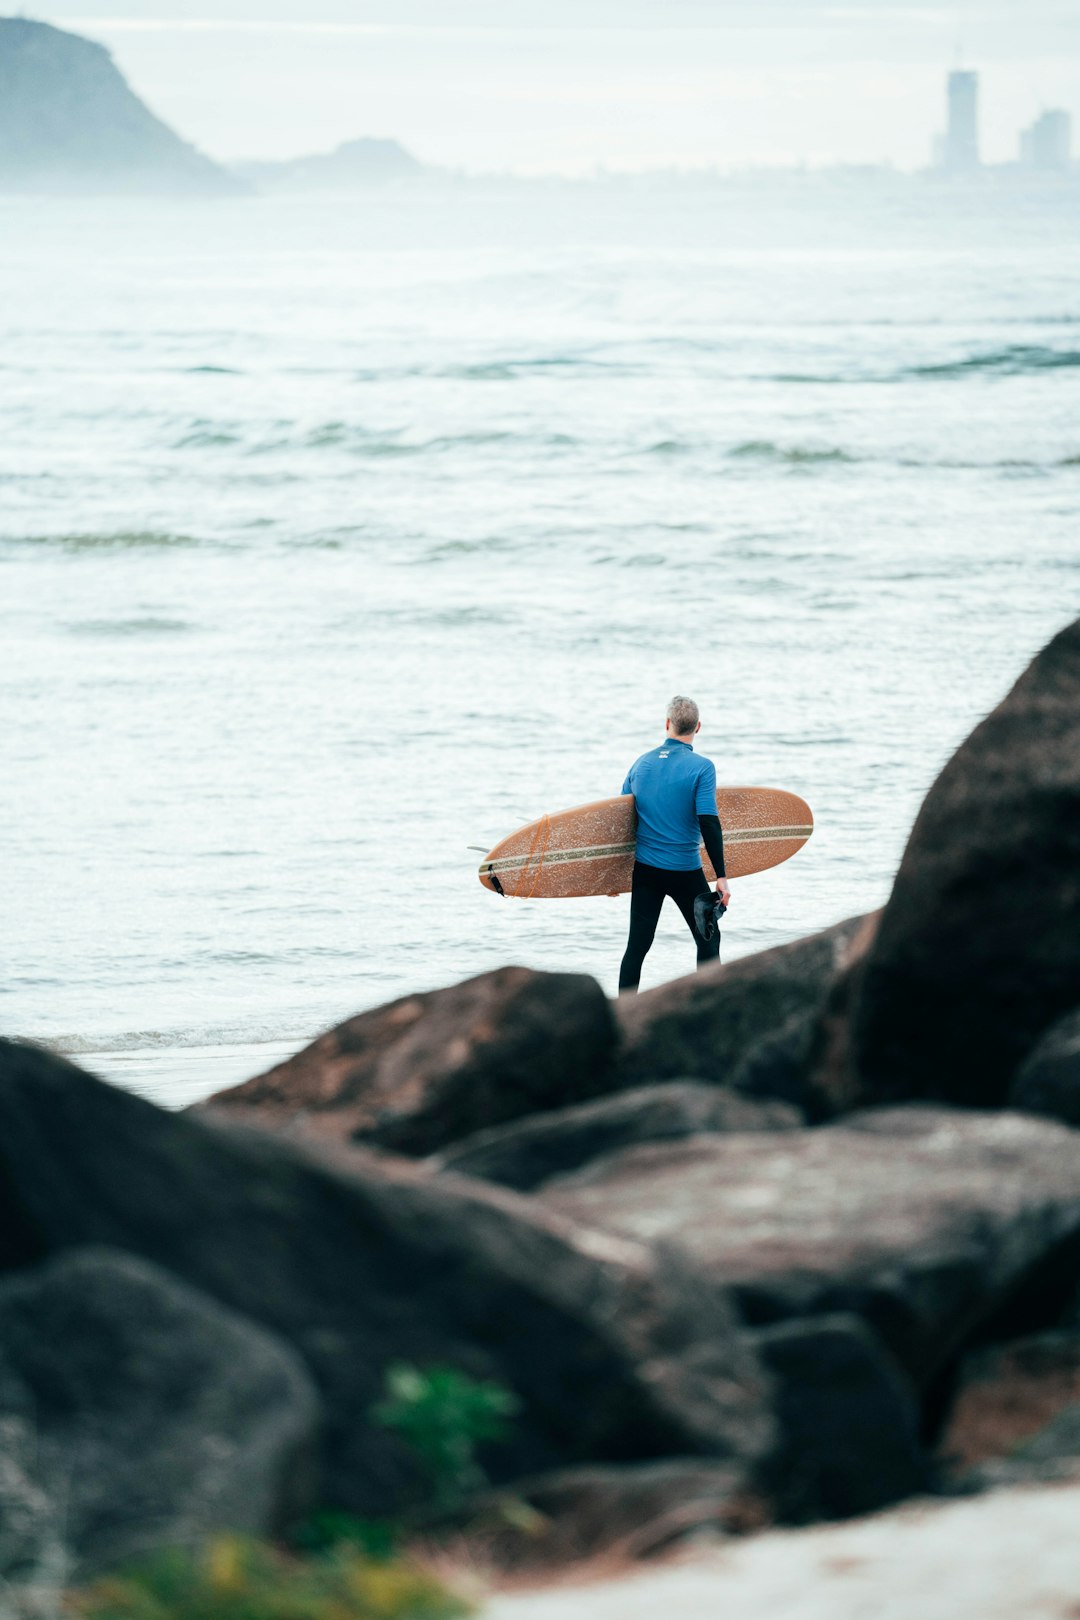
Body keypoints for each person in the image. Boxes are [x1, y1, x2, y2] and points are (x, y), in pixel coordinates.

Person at [618, 695, 730, 993]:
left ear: (667, 724)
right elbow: (708, 821)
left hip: (645, 873)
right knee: (709, 939)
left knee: (637, 948)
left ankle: (622, 1016)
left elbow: (621, 822)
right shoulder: (702, 768)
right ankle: (709, 1009)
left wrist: (610, 877)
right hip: (685, 872)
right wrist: (721, 876)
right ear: (698, 727)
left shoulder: (640, 764)